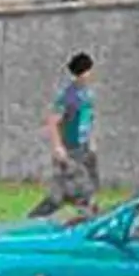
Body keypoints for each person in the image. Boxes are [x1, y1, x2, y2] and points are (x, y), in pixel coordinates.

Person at [28, 51, 101, 219]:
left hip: (83, 149)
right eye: (89, 70)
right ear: (83, 71)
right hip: (70, 149)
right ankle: (90, 221)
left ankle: (35, 218)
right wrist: (58, 147)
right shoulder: (69, 95)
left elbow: (88, 120)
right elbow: (53, 121)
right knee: (81, 192)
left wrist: (91, 143)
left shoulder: (87, 95)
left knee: (66, 194)